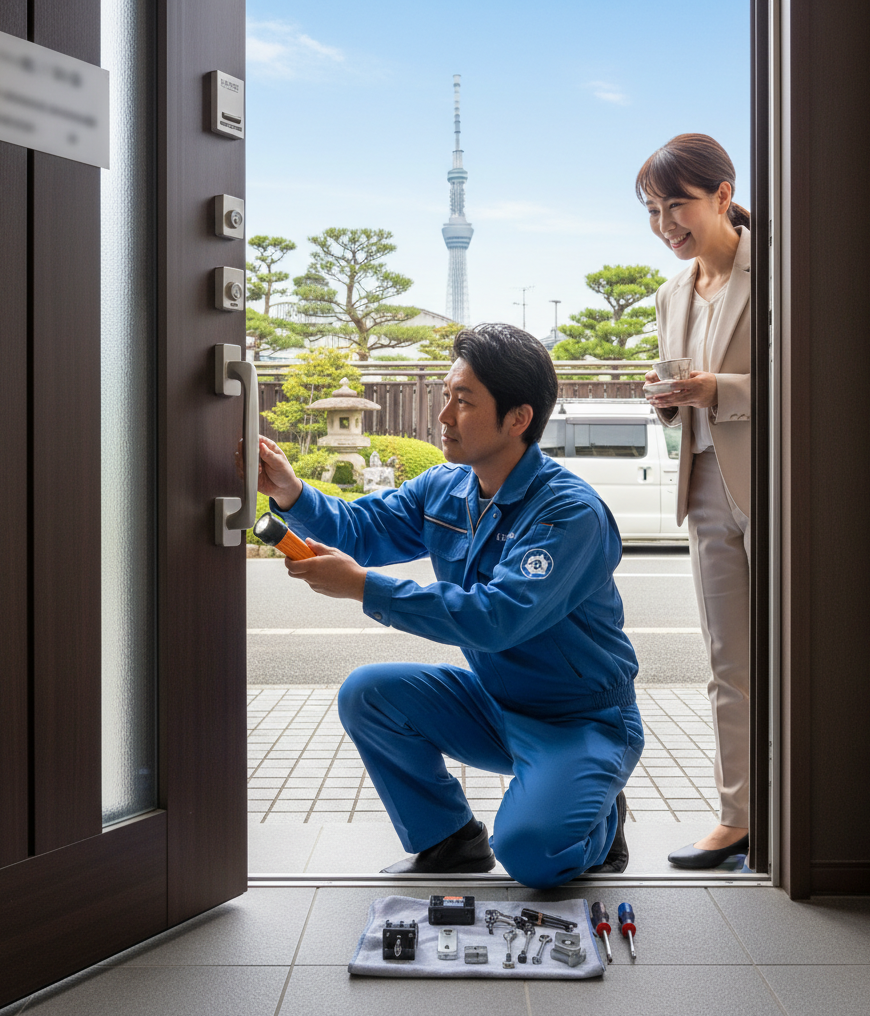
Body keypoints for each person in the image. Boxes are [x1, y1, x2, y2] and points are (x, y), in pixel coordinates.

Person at [254, 324, 644, 889]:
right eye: (445, 397)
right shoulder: (446, 487)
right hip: (495, 703)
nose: (443, 417)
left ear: (518, 418)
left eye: (463, 402)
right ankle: (451, 841)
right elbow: (362, 527)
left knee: (533, 856)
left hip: (580, 718)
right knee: (369, 693)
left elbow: (496, 618)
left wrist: (365, 587)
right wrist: (291, 493)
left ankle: (602, 818)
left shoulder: (567, 512)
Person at [637, 134, 752, 869]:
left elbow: (817, 374)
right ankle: (739, 816)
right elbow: (681, 401)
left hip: (780, 480)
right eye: (651, 211)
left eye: (674, 204)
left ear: (722, 192)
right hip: (705, 484)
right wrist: (670, 401)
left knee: (798, 650)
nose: (665, 224)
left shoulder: (777, 272)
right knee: (728, 659)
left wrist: (722, 391)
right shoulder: (670, 293)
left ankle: (804, 805)